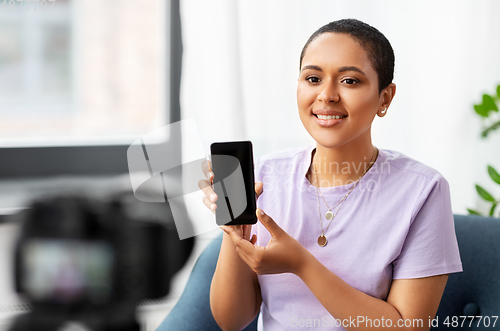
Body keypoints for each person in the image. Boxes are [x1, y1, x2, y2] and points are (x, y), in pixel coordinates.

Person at [199, 18, 462, 331]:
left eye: (350, 81)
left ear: (385, 98)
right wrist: (234, 231)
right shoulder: (265, 176)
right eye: (312, 78)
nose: (327, 95)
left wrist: (301, 264)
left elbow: (408, 327)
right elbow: (231, 320)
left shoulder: (423, 190)